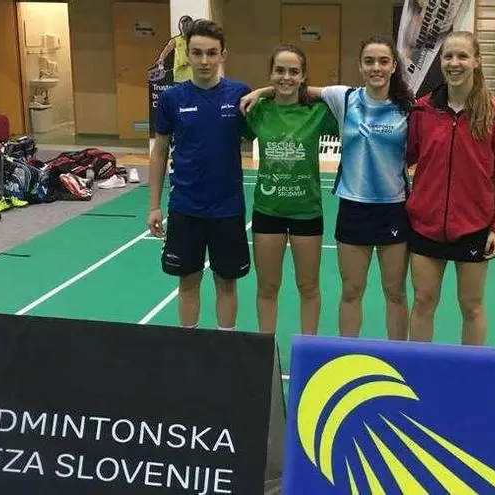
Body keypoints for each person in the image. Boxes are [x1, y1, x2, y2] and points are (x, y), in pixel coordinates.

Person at [241, 35, 414, 341]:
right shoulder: (345, 98)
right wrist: (261, 91)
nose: (376, 67)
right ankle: (340, 356)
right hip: (349, 208)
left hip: (391, 210)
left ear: (394, 66)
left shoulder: (408, 108)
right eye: (369, 61)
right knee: (350, 290)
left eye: (383, 61)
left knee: (395, 292)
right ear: (359, 66)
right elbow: (294, 88)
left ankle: (397, 357)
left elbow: (297, 89)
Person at [405, 31, 495, 346]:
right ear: (441, 61)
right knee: (423, 302)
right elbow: (406, 155)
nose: (454, 63)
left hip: (474, 227)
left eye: (462, 56)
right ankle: (419, 367)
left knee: (471, 306)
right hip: (425, 225)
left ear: (477, 61)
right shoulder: (423, 109)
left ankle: (472, 368)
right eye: (448, 56)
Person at [148, 19, 252, 331]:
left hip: (227, 208)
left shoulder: (240, 93)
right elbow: (159, 151)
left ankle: (225, 344)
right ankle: (188, 347)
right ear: (188, 55)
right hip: (185, 207)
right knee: (188, 282)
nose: (204, 60)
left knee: (227, 283)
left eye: (211, 53)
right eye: (197, 53)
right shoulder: (172, 99)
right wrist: (154, 206)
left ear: (223, 55)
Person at [244, 44, 339, 335]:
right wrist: (262, 94)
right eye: (280, 71)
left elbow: (350, 98)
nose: (286, 77)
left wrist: (264, 89)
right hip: (267, 211)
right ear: (271, 73)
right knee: (267, 287)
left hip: (306, 212)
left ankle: (307, 348)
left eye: (294, 72)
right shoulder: (257, 110)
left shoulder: (318, 112)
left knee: (308, 287)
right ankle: (265, 349)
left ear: (304, 76)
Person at [153, 15, 194, 83]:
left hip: (192, 73)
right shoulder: (175, 40)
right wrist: (161, 60)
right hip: (180, 74)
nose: (185, 28)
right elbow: (166, 50)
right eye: (183, 25)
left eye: (187, 25)